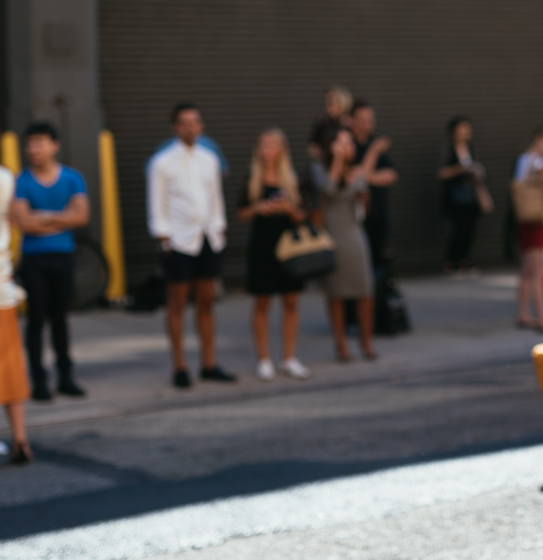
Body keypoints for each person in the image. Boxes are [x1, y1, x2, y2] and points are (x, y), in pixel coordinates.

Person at [147, 103, 235, 388]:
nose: (190, 127)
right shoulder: (162, 162)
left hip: (207, 236)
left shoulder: (209, 158)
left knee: (207, 301)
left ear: (201, 126)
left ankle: (209, 363)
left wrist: (219, 228)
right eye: (184, 123)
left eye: (195, 122)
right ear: (175, 127)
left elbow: (215, 197)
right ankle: (180, 366)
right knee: (177, 303)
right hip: (179, 240)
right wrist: (163, 237)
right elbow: (156, 202)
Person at [11, 121, 89, 401]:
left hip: (63, 256)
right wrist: (60, 218)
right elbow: (23, 222)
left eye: (40, 143)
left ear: (54, 146)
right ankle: (39, 380)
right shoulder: (20, 180)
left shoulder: (72, 178)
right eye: (30, 144)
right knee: (36, 319)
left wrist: (41, 216)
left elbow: (81, 217)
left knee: (60, 318)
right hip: (33, 259)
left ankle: (66, 376)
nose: (34, 149)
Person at [237, 128, 310, 381]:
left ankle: (289, 358)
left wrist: (288, 208)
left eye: (270, 145)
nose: (265, 150)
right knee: (262, 302)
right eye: (262, 145)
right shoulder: (252, 178)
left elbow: (304, 217)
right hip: (262, 246)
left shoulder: (291, 178)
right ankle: (264, 359)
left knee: (291, 301)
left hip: (289, 249)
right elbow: (241, 213)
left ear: (281, 149)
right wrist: (259, 207)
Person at [311, 127, 384, 360]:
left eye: (349, 143)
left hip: (355, 234)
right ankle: (340, 343)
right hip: (332, 235)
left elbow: (363, 208)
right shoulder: (319, 167)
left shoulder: (357, 170)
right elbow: (329, 189)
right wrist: (338, 161)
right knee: (337, 292)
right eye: (340, 143)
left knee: (365, 289)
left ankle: (366, 341)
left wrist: (365, 197)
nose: (346, 147)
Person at [0, 110, 33, 463]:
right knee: (8, 364)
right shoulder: (5, 177)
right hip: (0, 283)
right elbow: (16, 225)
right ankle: (20, 438)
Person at [513, 125, 543, 330]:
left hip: (525, 217)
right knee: (540, 269)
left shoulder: (523, 159)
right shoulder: (538, 161)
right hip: (539, 217)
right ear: (540, 139)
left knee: (528, 269)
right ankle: (542, 317)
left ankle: (523, 313)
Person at [348, 101, 398, 268]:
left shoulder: (375, 142)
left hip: (379, 212)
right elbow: (353, 178)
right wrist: (373, 152)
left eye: (371, 119)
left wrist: (365, 175)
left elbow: (391, 175)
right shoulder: (348, 145)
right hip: (355, 217)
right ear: (351, 120)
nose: (368, 124)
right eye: (363, 120)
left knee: (378, 261)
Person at [437, 116, 488, 272]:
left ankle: (464, 260)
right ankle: (450, 261)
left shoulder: (471, 148)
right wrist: (459, 169)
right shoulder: (448, 149)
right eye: (462, 129)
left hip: (471, 195)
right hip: (455, 197)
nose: (466, 132)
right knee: (458, 229)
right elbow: (441, 173)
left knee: (470, 229)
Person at [309, 85, 353, 152]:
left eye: (331, 103)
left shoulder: (350, 124)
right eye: (326, 103)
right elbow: (312, 148)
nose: (327, 107)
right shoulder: (322, 123)